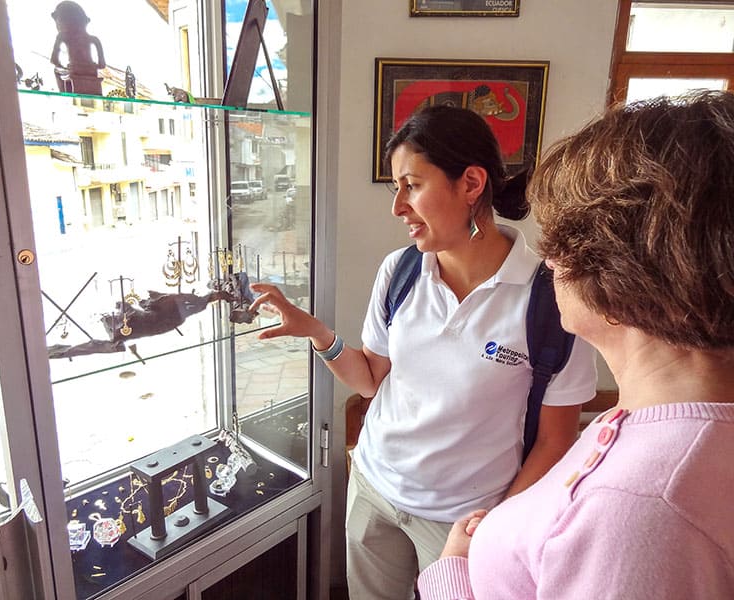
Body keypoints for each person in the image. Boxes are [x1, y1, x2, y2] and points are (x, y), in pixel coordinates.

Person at [249, 104, 597, 599]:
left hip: (466, 519)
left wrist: (495, 524)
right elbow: (371, 378)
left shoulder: (549, 295)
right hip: (374, 490)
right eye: (397, 188)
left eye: (412, 186)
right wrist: (317, 333)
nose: (397, 206)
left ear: (471, 184)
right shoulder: (401, 270)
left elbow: (555, 439)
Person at [416, 90, 734, 599]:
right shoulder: (664, 425)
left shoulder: (641, 509)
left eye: (562, 242)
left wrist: (451, 573)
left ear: (623, 278)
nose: (551, 263)